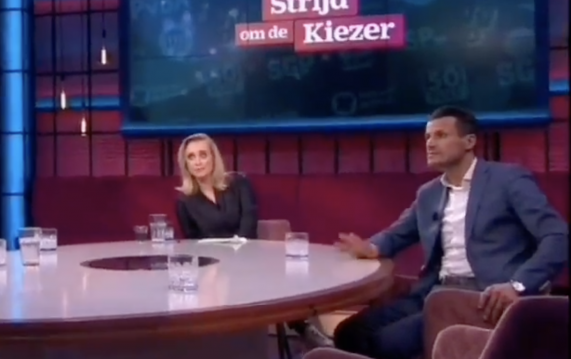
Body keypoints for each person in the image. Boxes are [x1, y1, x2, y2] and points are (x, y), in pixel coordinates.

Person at [332, 106, 568, 359]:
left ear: (469, 142)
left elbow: (557, 237)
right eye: (428, 137)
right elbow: (398, 233)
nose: (431, 143)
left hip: (483, 297)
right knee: (348, 333)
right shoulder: (429, 193)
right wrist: (371, 247)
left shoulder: (508, 180)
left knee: (387, 344)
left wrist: (518, 285)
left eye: (441, 135)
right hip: (434, 291)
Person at [173, 133, 332, 348]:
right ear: (185, 164)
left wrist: (236, 250)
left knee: (271, 275)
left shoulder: (239, 183)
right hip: (213, 266)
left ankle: (303, 328)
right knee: (206, 285)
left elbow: (249, 221)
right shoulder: (185, 201)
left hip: (248, 254)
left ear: (213, 157)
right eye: (191, 157)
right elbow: (193, 242)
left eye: (203, 155)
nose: (198, 162)